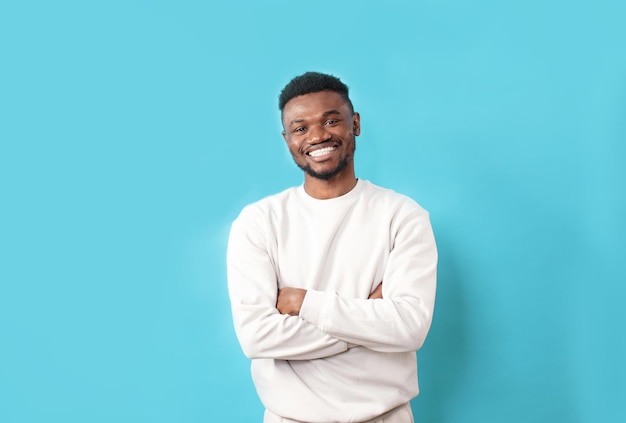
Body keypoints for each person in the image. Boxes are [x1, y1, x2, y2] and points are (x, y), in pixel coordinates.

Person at [227, 72, 437, 423]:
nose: (318, 136)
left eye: (331, 120)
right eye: (300, 128)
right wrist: (368, 320)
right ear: (287, 140)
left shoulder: (403, 216)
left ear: (354, 123)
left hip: (385, 416)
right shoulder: (258, 222)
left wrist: (304, 303)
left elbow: (410, 327)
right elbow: (257, 337)